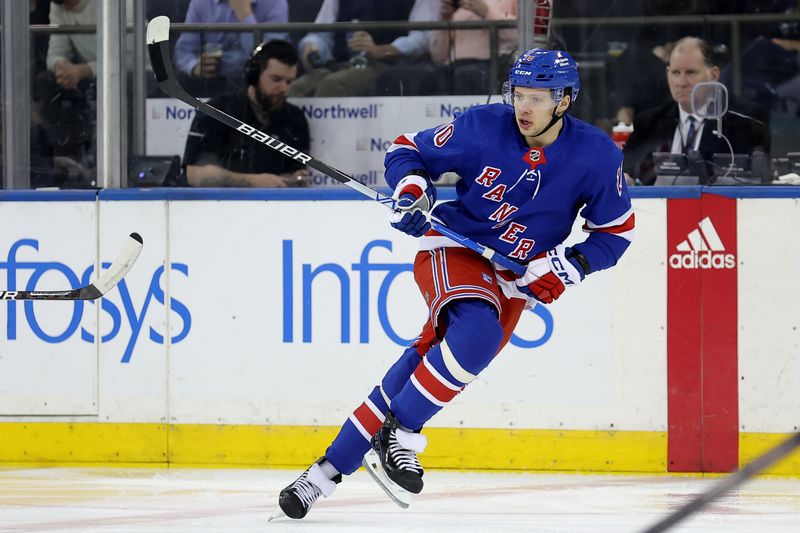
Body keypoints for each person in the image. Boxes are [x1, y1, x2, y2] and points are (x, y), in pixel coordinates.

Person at [274, 48, 635, 519]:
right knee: (476, 332)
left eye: (538, 98)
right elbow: (407, 149)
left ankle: (321, 476)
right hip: (455, 247)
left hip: (516, 277)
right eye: (518, 94)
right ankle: (401, 433)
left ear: (564, 101)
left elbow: (616, 232)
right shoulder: (484, 126)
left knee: (419, 365)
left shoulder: (595, 154)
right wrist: (413, 190)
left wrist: (570, 265)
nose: (523, 108)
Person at [623, 37, 770, 185]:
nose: (681, 83)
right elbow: (625, 175)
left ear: (713, 75)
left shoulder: (746, 121)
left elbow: (755, 181)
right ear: (667, 74)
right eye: (675, 73)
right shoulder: (648, 123)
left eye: (690, 72)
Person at [182, 40, 310, 187]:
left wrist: (295, 179)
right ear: (254, 76)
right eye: (276, 79)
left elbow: (297, 172)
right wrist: (255, 182)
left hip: (274, 207)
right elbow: (196, 175)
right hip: (220, 206)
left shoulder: (295, 119)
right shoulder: (218, 111)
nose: (283, 89)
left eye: (289, 82)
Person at [288, 0, 438, 97]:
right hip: (338, 63)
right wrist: (311, 46)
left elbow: (422, 38)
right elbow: (321, 33)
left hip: (386, 67)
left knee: (335, 85)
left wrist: (381, 50)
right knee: (296, 89)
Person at [174, 0, 289, 95]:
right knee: (182, 79)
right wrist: (194, 66)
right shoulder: (201, 3)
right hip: (213, 81)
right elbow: (183, 50)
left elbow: (272, 56)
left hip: (256, 80)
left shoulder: (276, 3)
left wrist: (245, 15)